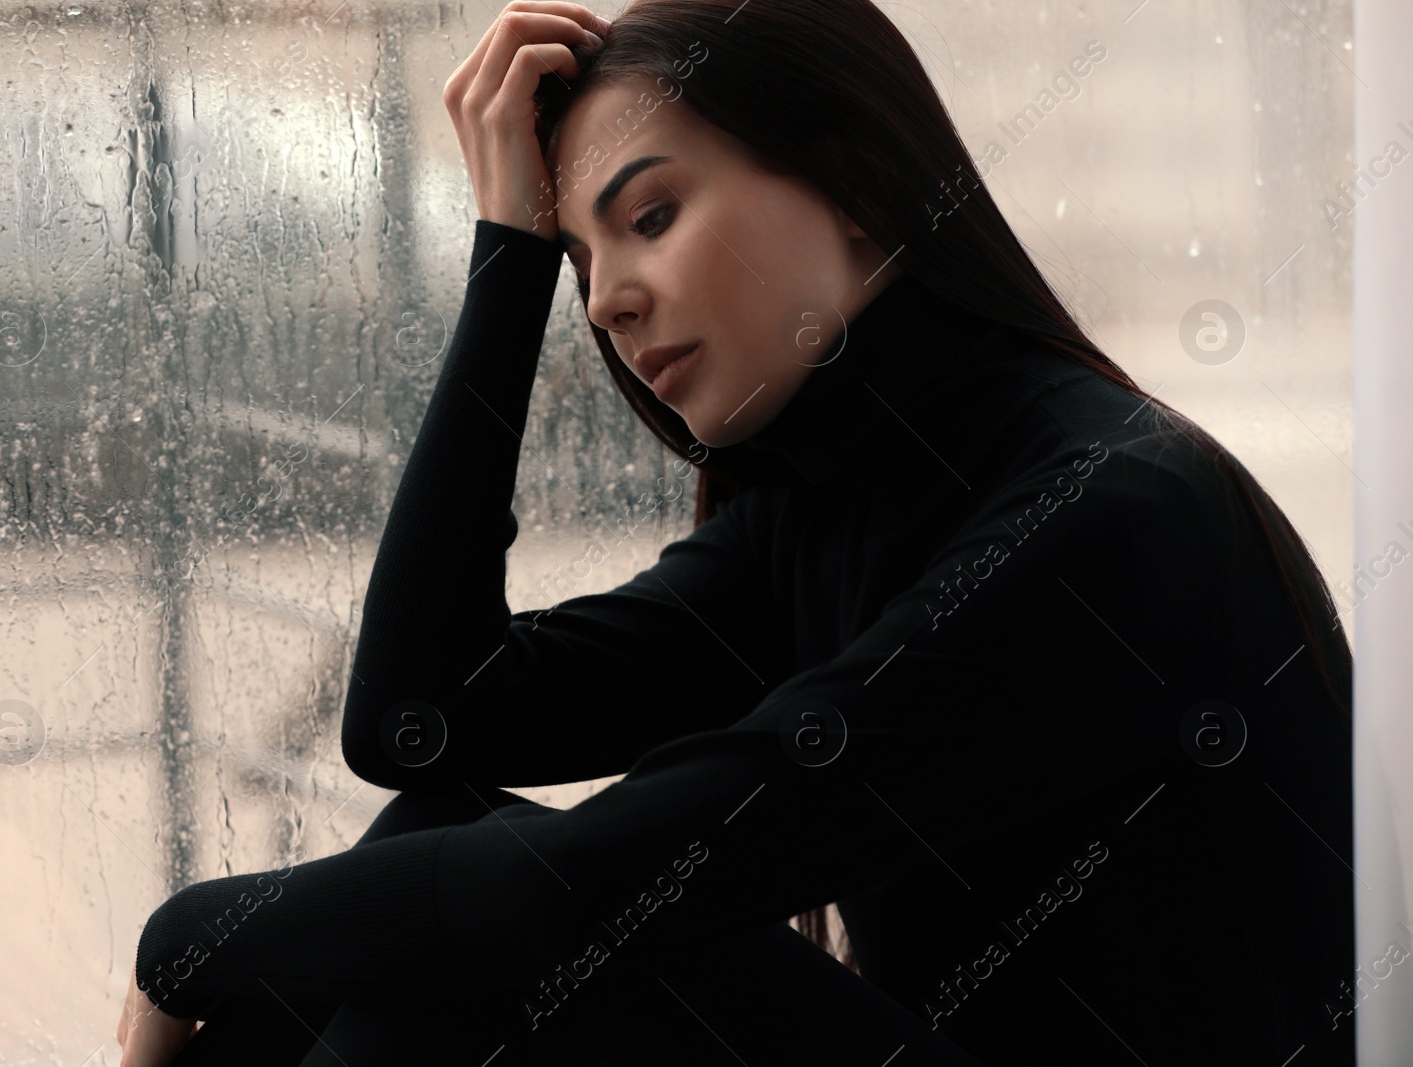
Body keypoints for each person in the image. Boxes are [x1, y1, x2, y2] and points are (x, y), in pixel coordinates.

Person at [116, 1, 1355, 1064]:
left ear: (861, 190)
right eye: (578, 257)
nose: (604, 299)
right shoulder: (821, 510)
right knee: (438, 853)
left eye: (647, 218)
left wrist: (184, 943)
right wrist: (506, 260)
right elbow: (420, 719)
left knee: (493, 940)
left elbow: (573, 891)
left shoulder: (1111, 516)